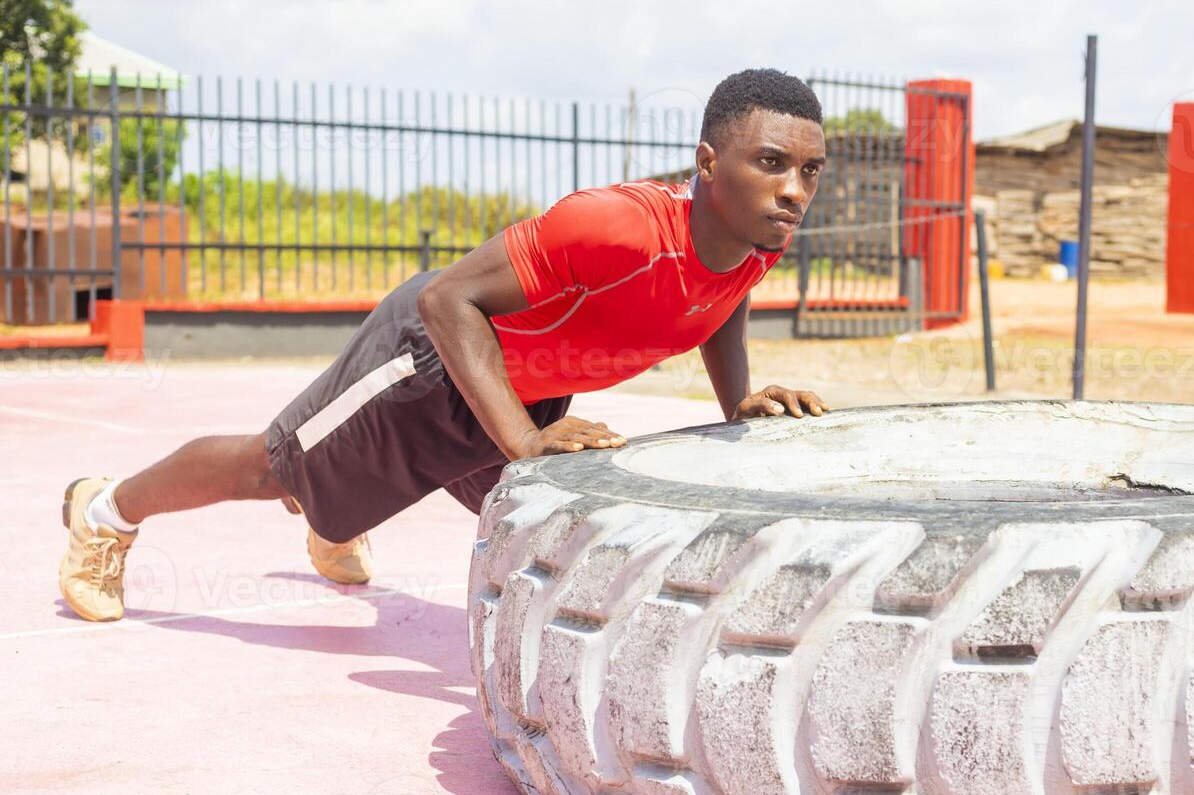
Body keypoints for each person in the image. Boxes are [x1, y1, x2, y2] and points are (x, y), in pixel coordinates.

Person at [58, 67, 832, 622]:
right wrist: (524, 440)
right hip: (429, 362)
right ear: (708, 164)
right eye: (771, 163)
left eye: (809, 169)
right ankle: (106, 513)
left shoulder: (756, 233)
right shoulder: (616, 225)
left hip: (525, 392)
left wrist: (740, 401)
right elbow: (445, 297)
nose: (795, 188)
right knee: (276, 471)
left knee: (540, 514)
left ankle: (334, 520)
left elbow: (723, 294)